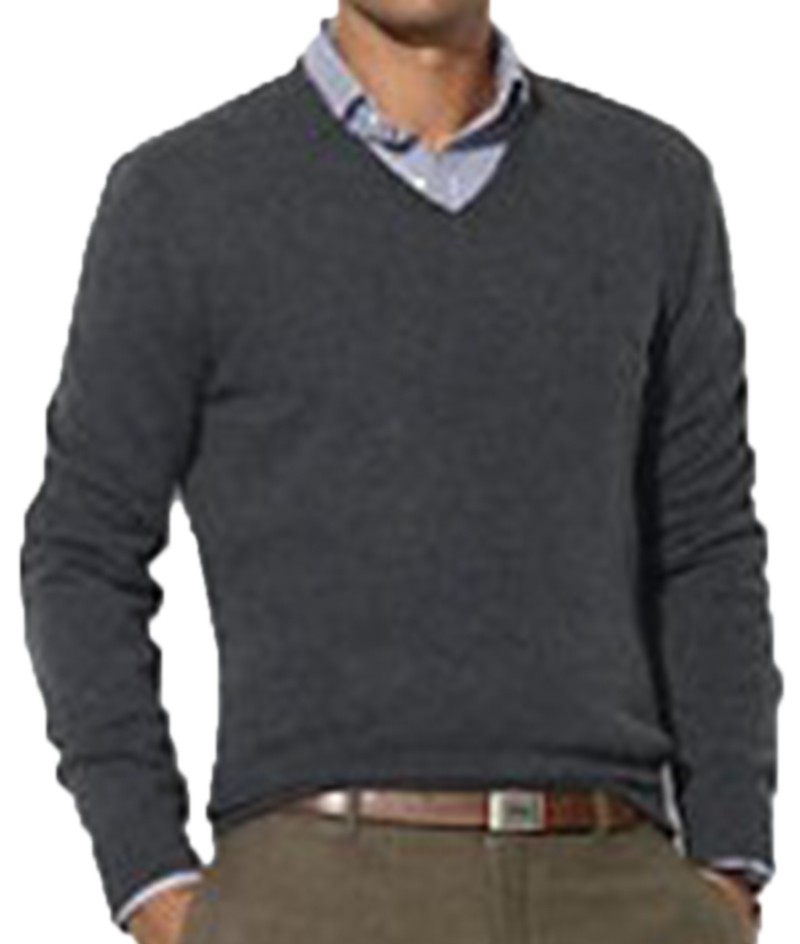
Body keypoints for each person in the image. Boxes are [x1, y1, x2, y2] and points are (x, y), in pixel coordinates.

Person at [20, 2, 782, 942]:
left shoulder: (650, 184)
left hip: (620, 881)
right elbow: (82, 549)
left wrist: (730, 867)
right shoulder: (181, 197)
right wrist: (152, 882)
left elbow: (706, 542)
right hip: (315, 886)